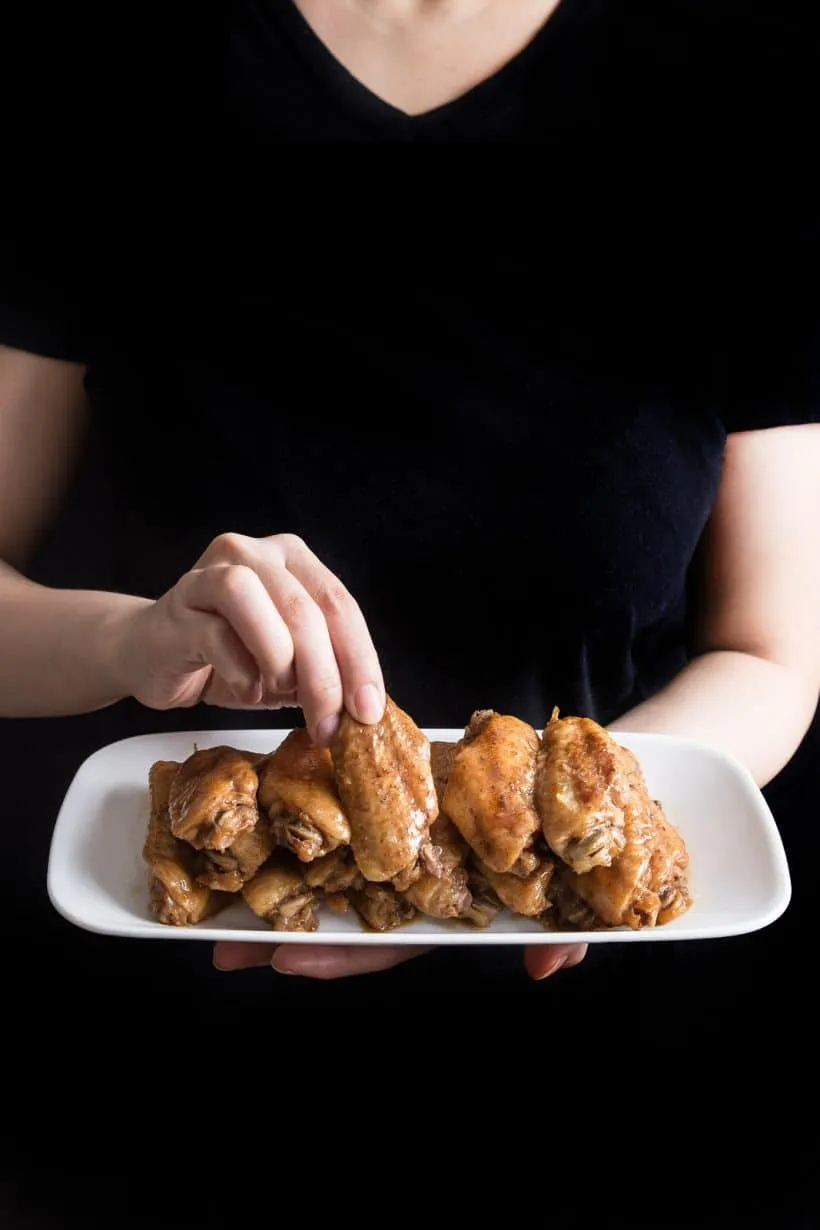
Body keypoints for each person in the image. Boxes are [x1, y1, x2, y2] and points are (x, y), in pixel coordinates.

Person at [1, 0, 818, 991]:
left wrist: (545, 847)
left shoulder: (741, 97)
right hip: (151, 973)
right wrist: (127, 642)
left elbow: (769, 655)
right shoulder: (100, 76)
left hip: (605, 977)